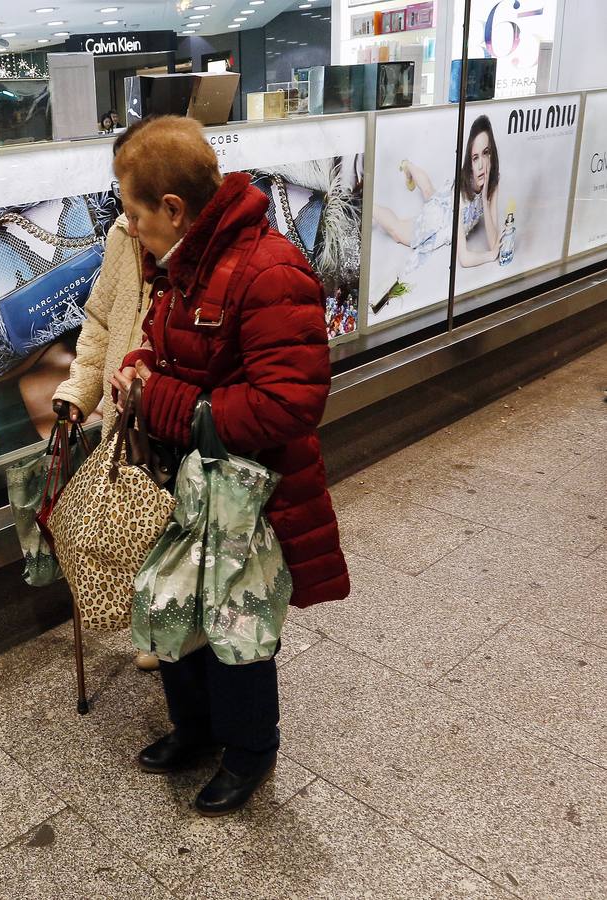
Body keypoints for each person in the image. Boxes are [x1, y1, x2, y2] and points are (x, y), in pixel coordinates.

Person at [109, 116, 350, 816]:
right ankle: (195, 730)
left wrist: (166, 401)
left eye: (134, 213)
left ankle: (249, 749)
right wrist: (136, 369)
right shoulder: (183, 260)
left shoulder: (269, 268)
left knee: (233, 627)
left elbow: (288, 404)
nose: (129, 228)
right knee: (178, 606)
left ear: (173, 208)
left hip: (247, 492)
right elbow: (166, 349)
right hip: (185, 482)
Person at [51, 124, 160, 672]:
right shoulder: (123, 234)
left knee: (168, 524)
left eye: (130, 186)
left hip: (169, 420)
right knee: (127, 519)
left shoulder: (188, 250)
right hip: (123, 417)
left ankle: (174, 631)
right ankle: (151, 621)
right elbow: (99, 320)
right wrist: (78, 391)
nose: (123, 203)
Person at [373, 114, 502, 272]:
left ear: (492, 153)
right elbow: (464, 258)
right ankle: (366, 205)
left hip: (447, 205)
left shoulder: (493, 181)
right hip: (441, 217)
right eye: (475, 158)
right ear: (470, 161)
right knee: (398, 232)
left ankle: (408, 165)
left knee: (430, 193)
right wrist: (489, 256)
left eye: (486, 152)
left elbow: (494, 240)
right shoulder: (461, 196)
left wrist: (484, 198)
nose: (481, 165)